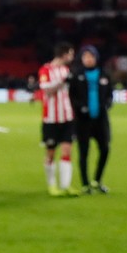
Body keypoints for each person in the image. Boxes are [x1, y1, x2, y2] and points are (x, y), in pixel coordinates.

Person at [69, 44, 112, 194]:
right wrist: (80, 107)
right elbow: (71, 96)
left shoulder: (104, 74)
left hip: (101, 120)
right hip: (82, 121)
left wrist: (107, 104)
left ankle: (97, 181)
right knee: (84, 152)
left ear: (96, 58)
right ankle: (85, 184)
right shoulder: (76, 75)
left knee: (105, 149)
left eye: (91, 56)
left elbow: (110, 94)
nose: (88, 59)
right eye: (85, 56)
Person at [39, 41, 78, 197]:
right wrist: (62, 81)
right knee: (50, 153)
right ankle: (52, 185)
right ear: (64, 54)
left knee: (67, 151)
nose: (72, 57)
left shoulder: (66, 70)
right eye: (71, 54)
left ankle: (66, 185)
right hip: (51, 119)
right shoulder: (45, 69)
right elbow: (46, 90)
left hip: (67, 117)